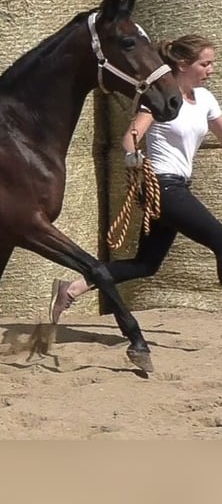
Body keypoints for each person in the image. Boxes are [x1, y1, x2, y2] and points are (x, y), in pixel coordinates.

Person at [49, 34, 222, 324]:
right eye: (205, 64)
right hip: (163, 188)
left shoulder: (205, 99)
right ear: (182, 64)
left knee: (146, 264)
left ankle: (73, 288)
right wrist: (135, 163)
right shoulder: (160, 100)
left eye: (212, 64)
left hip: (178, 187)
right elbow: (130, 140)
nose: (211, 70)